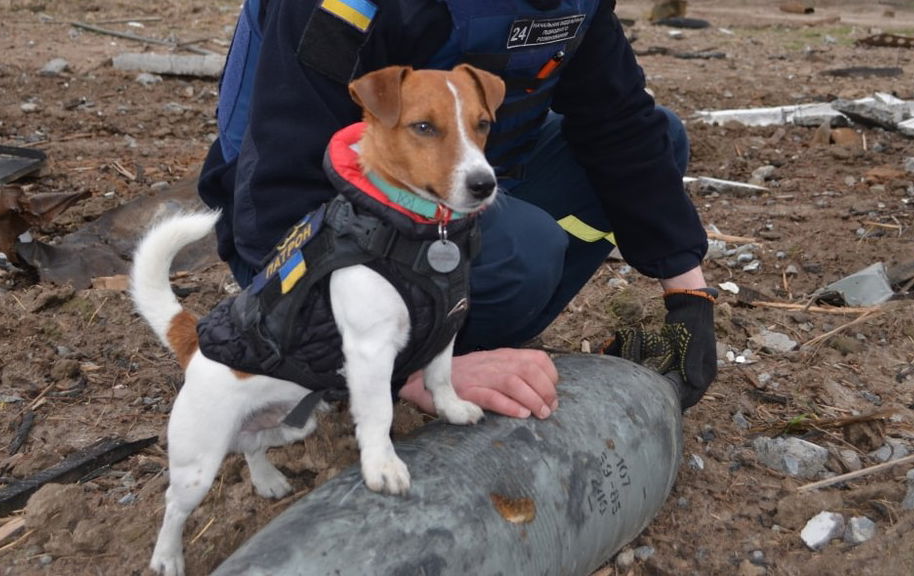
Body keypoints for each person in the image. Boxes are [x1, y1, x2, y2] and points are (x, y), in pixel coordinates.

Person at [197, 0, 718, 420]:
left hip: (459, 187)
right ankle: (410, 355)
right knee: (522, 251)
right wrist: (410, 372)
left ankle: (475, 329)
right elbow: (277, 198)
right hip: (293, 238)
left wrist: (689, 296)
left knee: (659, 141)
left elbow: (618, 121)